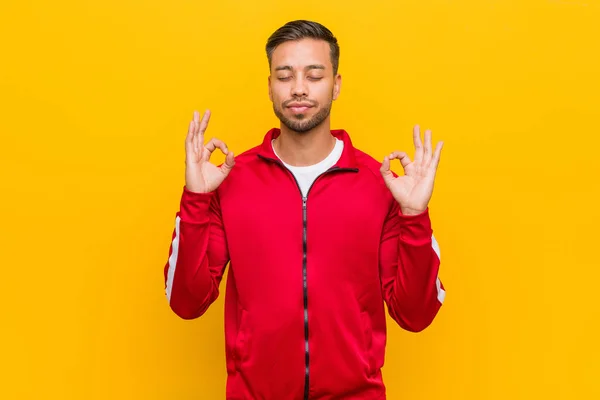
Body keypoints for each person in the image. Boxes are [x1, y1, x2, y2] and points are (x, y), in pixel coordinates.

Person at [163, 19, 446, 400]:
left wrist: (414, 216)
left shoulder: (381, 185)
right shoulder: (229, 179)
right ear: (269, 87)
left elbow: (416, 315)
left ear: (337, 84)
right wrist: (196, 199)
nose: (298, 89)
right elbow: (186, 302)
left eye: (314, 75)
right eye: (285, 76)